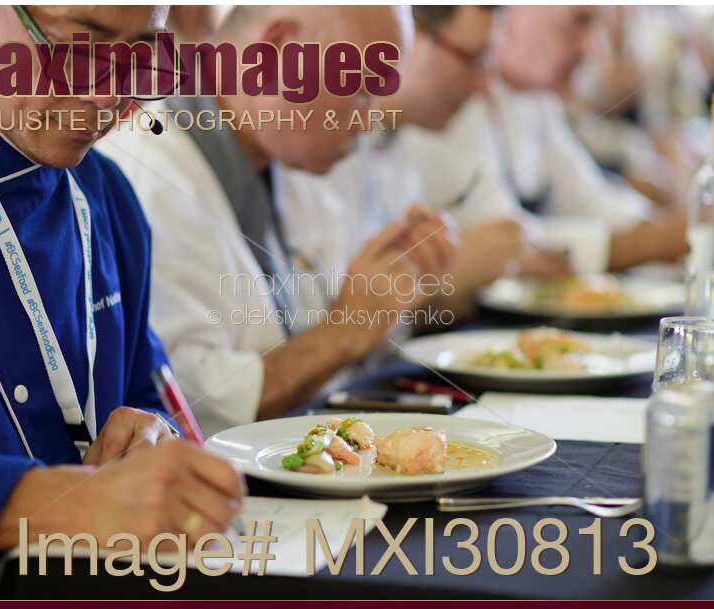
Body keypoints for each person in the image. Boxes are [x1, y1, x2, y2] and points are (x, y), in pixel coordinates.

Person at [0, 5, 244, 600]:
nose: (107, 97)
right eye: (78, 46)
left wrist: (152, 436)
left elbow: (153, 397)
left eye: (139, 57)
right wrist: (30, 501)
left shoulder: (109, 197)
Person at [100, 5, 458, 436]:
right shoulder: (145, 175)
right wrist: (346, 330)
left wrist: (394, 283)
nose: (369, 118)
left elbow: (315, 323)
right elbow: (188, 408)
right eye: (361, 89)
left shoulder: (285, 153)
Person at [277, 5, 561, 323]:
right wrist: (432, 281)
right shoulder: (309, 142)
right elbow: (309, 327)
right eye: (474, 60)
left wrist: (438, 288)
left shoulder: (401, 142)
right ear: (408, 36)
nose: (484, 86)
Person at [402, 5, 689, 275]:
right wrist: (672, 238)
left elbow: (590, 200)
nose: (594, 48)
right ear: (514, 13)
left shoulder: (534, 101)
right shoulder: (445, 104)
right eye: (578, 23)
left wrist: (667, 227)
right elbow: (509, 245)